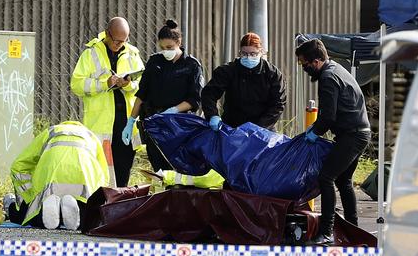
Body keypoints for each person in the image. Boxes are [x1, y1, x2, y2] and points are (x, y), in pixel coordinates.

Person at [295, 39, 371, 245]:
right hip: (359, 132)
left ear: (316, 61)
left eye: (305, 64)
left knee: (326, 177)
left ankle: (326, 232)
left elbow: (328, 116)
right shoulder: (337, 68)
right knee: (343, 181)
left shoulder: (328, 78)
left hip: (352, 135)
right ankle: (353, 229)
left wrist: (314, 132)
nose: (304, 68)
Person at [70, 17, 145, 187]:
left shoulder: (132, 53)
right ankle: (101, 209)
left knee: (123, 172)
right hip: (101, 125)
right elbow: (76, 84)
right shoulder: (91, 53)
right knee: (100, 175)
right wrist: (105, 84)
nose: (119, 44)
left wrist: (128, 84)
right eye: (117, 41)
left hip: (126, 123)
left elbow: (142, 85)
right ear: (108, 34)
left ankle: (119, 208)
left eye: (123, 41)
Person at [122, 19, 204, 171]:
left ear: (178, 42)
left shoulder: (191, 65)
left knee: (176, 166)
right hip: (154, 122)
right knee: (158, 167)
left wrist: (173, 110)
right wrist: (131, 121)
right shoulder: (154, 62)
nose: (166, 51)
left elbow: (194, 99)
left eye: (170, 47)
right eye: (162, 48)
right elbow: (142, 95)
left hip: (178, 124)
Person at [9, 121, 109, 230]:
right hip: (83, 190)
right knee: (86, 219)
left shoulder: (50, 132)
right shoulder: (92, 137)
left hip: (49, 188)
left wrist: (30, 196)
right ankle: (75, 217)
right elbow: (104, 177)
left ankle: (47, 211)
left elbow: (18, 166)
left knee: (34, 217)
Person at [201, 32, 286, 131]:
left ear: (261, 52)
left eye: (253, 54)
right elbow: (209, 94)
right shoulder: (227, 71)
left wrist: (260, 127)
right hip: (232, 127)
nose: (248, 57)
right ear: (239, 52)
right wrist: (213, 116)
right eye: (244, 54)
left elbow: (278, 104)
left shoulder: (273, 74)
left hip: (263, 130)